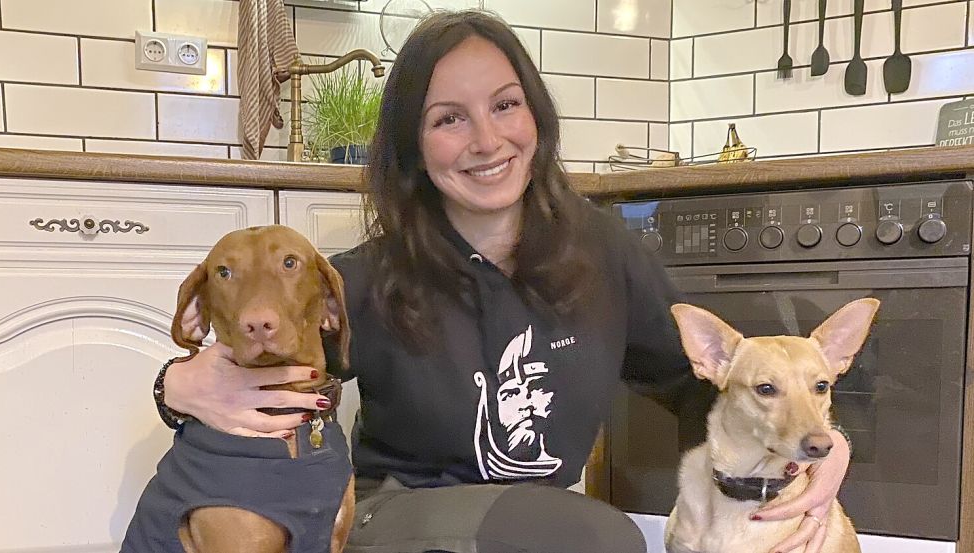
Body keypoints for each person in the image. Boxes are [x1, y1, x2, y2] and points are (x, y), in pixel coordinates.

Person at [159, 10, 851, 553]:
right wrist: (176, 386)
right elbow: (261, 372)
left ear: (535, 117)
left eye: (504, 105)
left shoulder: (604, 251)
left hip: (530, 523)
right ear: (413, 147)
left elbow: (714, 381)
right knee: (596, 537)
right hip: (388, 514)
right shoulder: (364, 279)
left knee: (564, 530)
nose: (487, 140)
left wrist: (820, 447)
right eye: (448, 119)